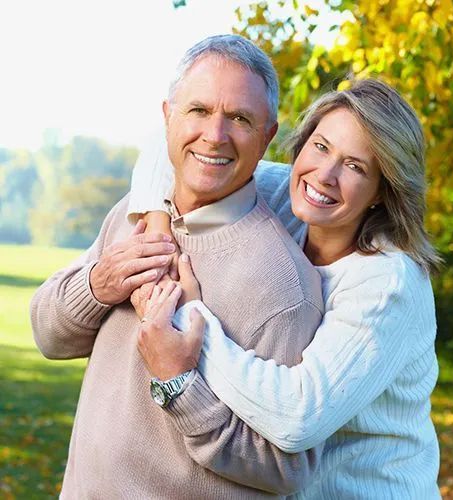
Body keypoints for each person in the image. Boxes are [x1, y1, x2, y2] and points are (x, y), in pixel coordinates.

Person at [30, 34, 326, 498]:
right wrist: (97, 285)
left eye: (240, 119)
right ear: (168, 117)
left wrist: (179, 385)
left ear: (268, 136)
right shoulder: (132, 213)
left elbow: (287, 470)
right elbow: (48, 335)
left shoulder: (284, 285)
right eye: (199, 111)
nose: (215, 135)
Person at [129, 79, 442, 499]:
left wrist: (189, 319)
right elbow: (166, 146)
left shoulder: (387, 282)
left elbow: (298, 418)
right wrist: (157, 223)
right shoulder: (285, 196)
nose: (325, 175)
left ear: (382, 192)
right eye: (321, 147)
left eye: (355, 167)